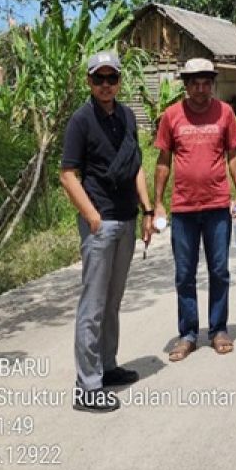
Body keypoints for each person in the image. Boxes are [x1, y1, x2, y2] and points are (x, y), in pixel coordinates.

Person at [60, 51, 154, 412]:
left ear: (118, 81)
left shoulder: (127, 116)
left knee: (113, 302)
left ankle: (108, 366)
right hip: (100, 222)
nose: (105, 85)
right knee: (93, 305)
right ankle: (87, 385)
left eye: (111, 78)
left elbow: (136, 166)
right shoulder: (80, 121)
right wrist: (92, 217)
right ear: (89, 81)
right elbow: (68, 175)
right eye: (98, 79)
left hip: (127, 218)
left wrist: (147, 209)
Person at [154, 57, 236, 361]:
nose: (201, 89)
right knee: (184, 274)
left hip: (218, 205)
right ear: (186, 85)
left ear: (212, 84)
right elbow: (164, 161)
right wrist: (157, 204)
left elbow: (233, 154)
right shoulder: (171, 116)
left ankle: (218, 329)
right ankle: (188, 333)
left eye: (207, 83)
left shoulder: (225, 113)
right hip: (183, 209)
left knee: (219, 271)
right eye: (195, 83)